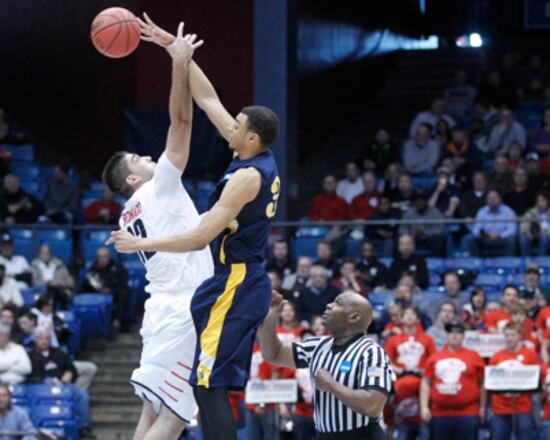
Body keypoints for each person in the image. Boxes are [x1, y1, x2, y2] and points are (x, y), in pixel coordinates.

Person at [109, 16, 279, 440]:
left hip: (170, 304)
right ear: (133, 180)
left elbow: (209, 101)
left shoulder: (128, 212)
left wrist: (177, 53)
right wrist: (177, 61)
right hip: (185, 305)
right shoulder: (161, 185)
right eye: (138, 160)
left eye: (237, 125)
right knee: (175, 415)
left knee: (157, 410)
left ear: (250, 137)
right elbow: (189, 115)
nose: (148, 158)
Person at [257, 291, 393, 438]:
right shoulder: (317, 345)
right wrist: (271, 317)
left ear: (354, 317)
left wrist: (331, 385)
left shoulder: (371, 352)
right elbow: (273, 354)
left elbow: (373, 405)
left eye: (338, 303)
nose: (329, 305)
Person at [419, 322, 486, 440]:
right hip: (439, 413)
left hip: (468, 413)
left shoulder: (474, 356)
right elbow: (426, 382)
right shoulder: (435, 357)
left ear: (464, 336)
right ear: (447, 335)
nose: (455, 335)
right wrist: (424, 407)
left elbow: (482, 383)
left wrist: (482, 407)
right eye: (451, 332)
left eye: (459, 332)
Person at [28, 328, 94, 437]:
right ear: (35, 340)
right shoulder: (30, 356)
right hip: (43, 388)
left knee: (82, 394)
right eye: (41, 338)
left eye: (47, 338)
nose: (45, 341)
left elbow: (71, 367)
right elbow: (29, 376)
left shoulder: (58, 352)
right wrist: (46, 379)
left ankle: (84, 427)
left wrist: (69, 372)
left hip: (63, 385)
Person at [384, 306, 436, 440]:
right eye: (406, 314)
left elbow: (433, 361)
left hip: (422, 381)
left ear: (418, 318)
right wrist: (398, 369)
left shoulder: (427, 339)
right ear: (401, 318)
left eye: (413, 314)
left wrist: (423, 371)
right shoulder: (393, 340)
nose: (409, 316)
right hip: (400, 379)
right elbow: (387, 361)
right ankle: (391, 428)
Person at [487, 321, 541, 440]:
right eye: (506, 335)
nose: (509, 338)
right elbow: (491, 382)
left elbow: (537, 379)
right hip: (500, 407)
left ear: (519, 335)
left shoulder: (530, 354)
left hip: (523, 407)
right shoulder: (496, 356)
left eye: (512, 335)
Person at [82, 246, 130, 331]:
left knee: (122, 293)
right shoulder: (93, 268)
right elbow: (89, 281)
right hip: (97, 294)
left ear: (110, 256)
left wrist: (109, 289)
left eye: (105, 257)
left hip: (114, 293)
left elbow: (123, 283)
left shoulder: (118, 267)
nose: (102, 259)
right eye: (99, 257)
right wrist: (99, 287)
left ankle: (117, 320)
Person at [473, 189, 517, 256]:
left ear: (500, 199)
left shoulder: (508, 211)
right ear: (487, 200)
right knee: (473, 239)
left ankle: (509, 262)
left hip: (502, 239)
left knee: (511, 240)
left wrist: (499, 235)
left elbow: (512, 230)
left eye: (495, 198)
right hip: (486, 238)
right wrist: (486, 235)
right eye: (490, 198)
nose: (492, 201)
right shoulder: (482, 211)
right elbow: (476, 229)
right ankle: (475, 264)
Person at [519, 192, 550, 257]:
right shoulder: (531, 212)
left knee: (544, 238)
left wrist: (541, 233)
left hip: (546, 235)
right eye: (539, 200)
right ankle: (525, 259)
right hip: (532, 234)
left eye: (543, 200)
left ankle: (542, 260)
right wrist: (529, 233)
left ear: (547, 201)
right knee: (523, 239)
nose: (541, 203)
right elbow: (524, 225)